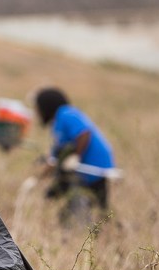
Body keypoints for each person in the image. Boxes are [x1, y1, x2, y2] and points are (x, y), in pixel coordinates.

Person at [33, 87, 115, 222]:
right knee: (67, 200)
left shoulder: (66, 114)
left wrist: (75, 156)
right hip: (81, 171)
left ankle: (107, 231)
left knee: (98, 209)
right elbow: (55, 158)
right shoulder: (57, 125)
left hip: (95, 167)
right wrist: (37, 179)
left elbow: (84, 133)